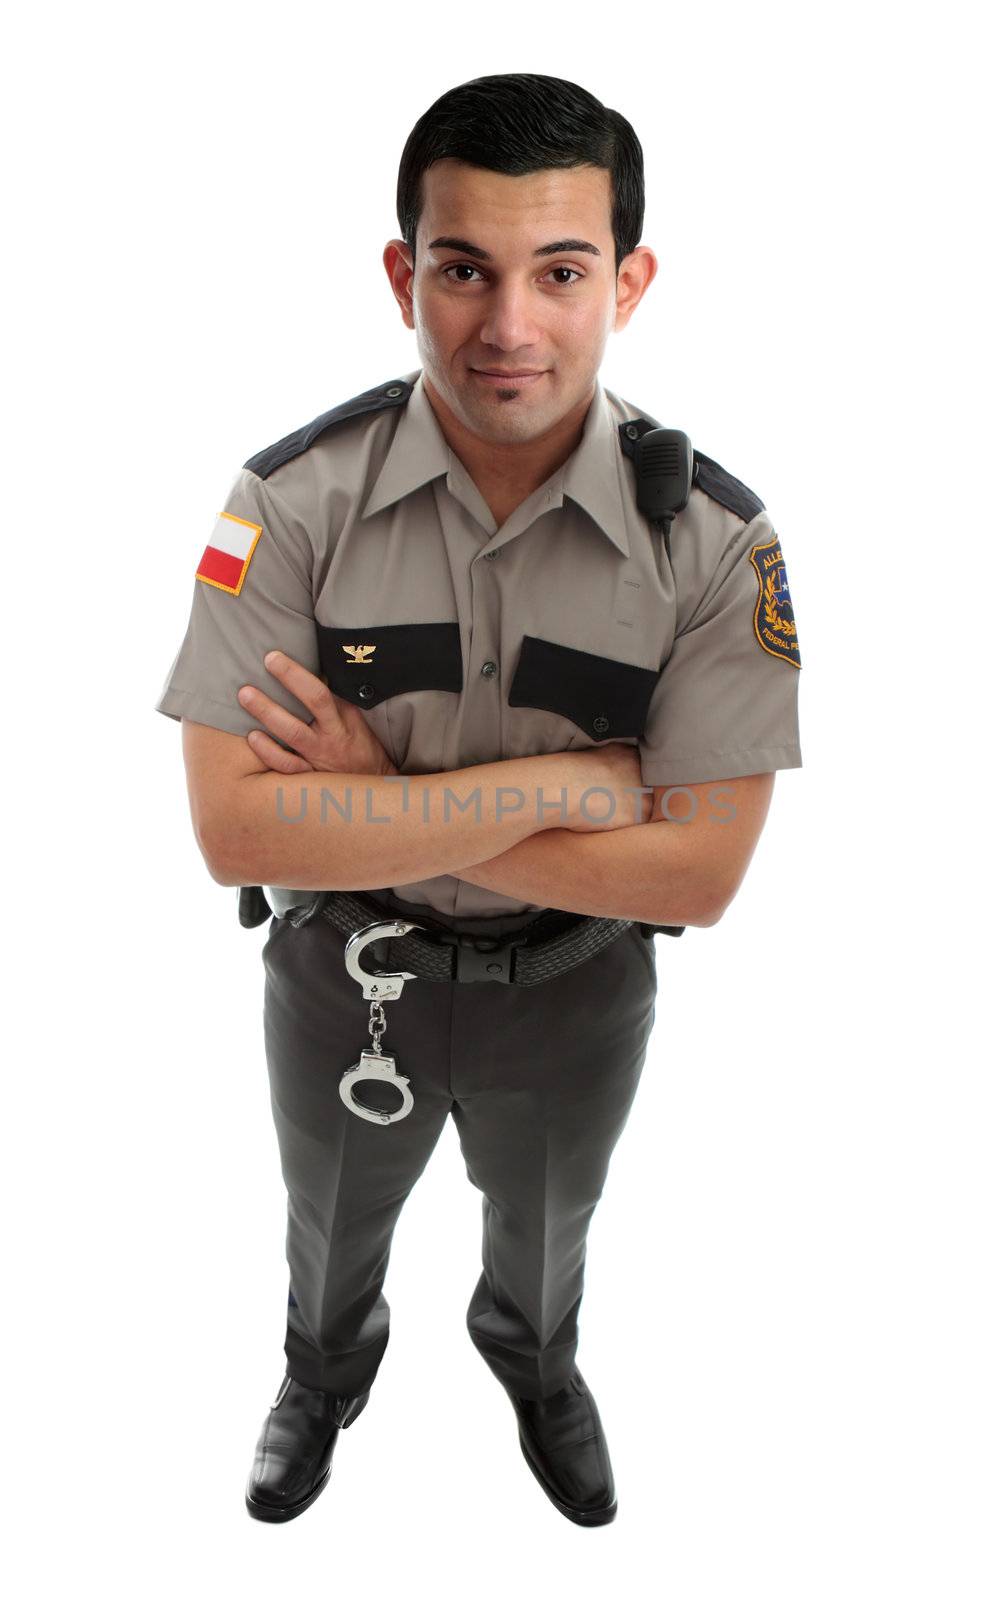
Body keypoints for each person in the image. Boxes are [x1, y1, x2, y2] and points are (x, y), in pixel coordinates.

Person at [154, 72, 802, 1528]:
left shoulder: (710, 547)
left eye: (560, 272)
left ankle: (534, 1363)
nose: (508, 325)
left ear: (626, 282)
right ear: (404, 275)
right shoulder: (286, 506)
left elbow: (696, 878)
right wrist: (575, 787)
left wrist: (378, 792)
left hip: (574, 994)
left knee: (548, 1227)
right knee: (325, 1229)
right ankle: (321, 1376)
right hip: (345, 977)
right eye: (462, 269)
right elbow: (235, 834)